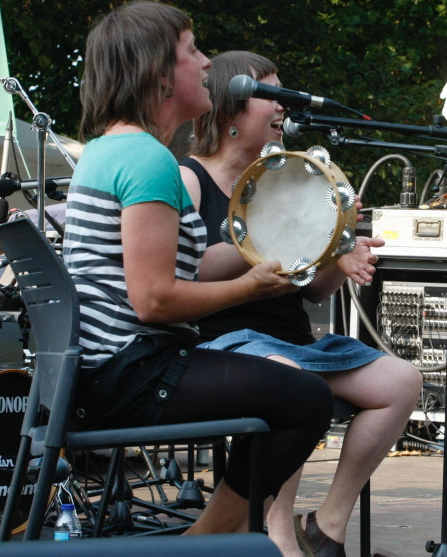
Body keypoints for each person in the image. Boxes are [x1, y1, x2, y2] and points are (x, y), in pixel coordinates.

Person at [63, 1, 334, 537]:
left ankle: (209, 540)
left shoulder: (113, 148)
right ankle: (202, 543)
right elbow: (155, 300)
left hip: (113, 371)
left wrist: (299, 241)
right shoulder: (147, 160)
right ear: (159, 75)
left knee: (292, 392)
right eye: (192, 50)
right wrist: (247, 288)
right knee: (305, 399)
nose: (208, 63)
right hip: (133, 376)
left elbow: (188, 262)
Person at [179, 51, 423, 557]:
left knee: (402, 381)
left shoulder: (288, 177)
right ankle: (279, 534)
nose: (284, 108)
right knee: (291, 384)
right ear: (230, 110)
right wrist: (266, 237)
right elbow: (187, 271)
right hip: (224, 344)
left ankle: (328, 523)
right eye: (273, 96)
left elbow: (312, 289)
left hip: (290, 340)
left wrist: (342, 251)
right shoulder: (189, 178)